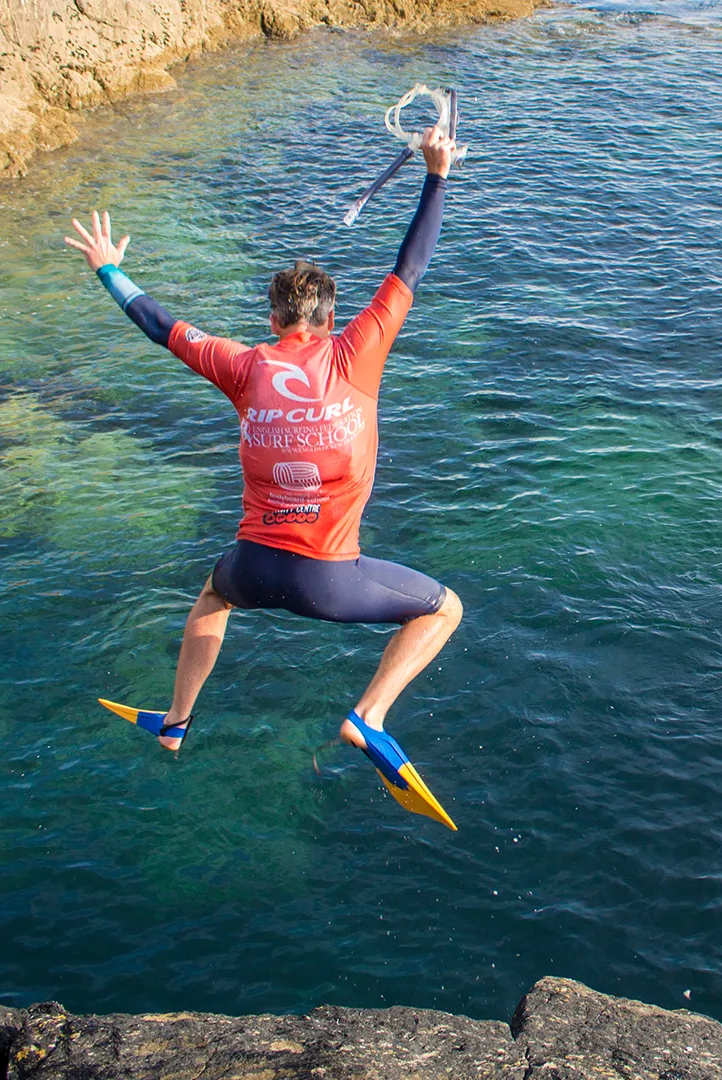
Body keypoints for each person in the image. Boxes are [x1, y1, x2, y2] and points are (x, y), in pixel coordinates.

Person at [64, 123, 464, 828]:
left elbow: (161, 326)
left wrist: (108, 267)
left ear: (274, 318)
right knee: (443, 608)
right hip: (329, 578)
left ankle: (178, 720)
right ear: (333, 318)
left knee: (211, 600)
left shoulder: (243, 366)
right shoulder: (358, 352)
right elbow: (411, 269)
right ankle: (368, 718)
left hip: (250, 567)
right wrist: (435, 174)